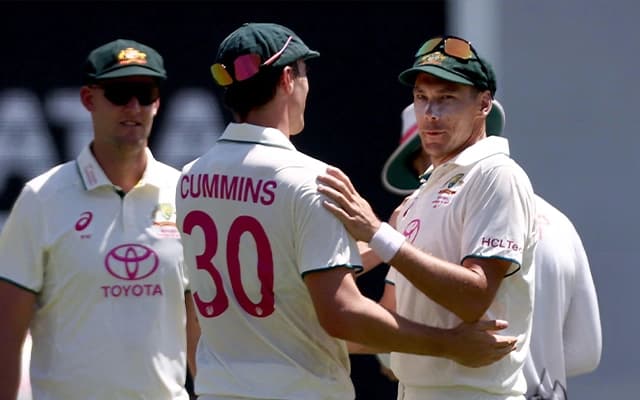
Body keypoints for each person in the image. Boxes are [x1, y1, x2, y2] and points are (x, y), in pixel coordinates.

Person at [175, 23, 518, 400]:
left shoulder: (189, 179)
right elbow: (341, 313)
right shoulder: (310, 180)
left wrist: (383, 238)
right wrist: (449, 343)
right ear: (289, 78)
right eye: (305, 75)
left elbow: (277, 278)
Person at [318, 35, 538, 399]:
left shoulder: (498, 174)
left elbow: (473, 297)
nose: (431, 114)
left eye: (447, 98)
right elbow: (390, 316)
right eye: (422, 98)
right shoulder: (422, 193)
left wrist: (378, 234)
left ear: (484, 104)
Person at [0, 38, 198, 399]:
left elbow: (200, 332)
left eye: (145, 92)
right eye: (120, 93)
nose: (134, 106)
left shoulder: (185, 193)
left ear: (158, 101)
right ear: (89, 100)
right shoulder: (40, 199)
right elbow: (6, 335)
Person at [380, 100, 602, 399]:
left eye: (420, 167)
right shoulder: (561, 224)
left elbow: (386, 329)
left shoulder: (420, 228)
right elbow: (587, 352)